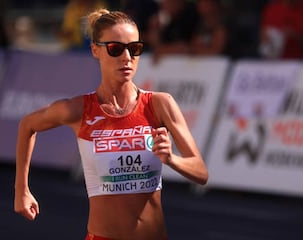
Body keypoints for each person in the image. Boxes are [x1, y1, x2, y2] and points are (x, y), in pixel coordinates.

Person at [14, 8, 208, 240]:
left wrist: (171, 159)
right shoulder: (78, 109)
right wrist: (21, 191)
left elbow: (201, 172)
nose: (127, 57)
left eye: (134, 49)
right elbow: (28, 125)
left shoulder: (159, 104)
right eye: (116, 49)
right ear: (95, 50)